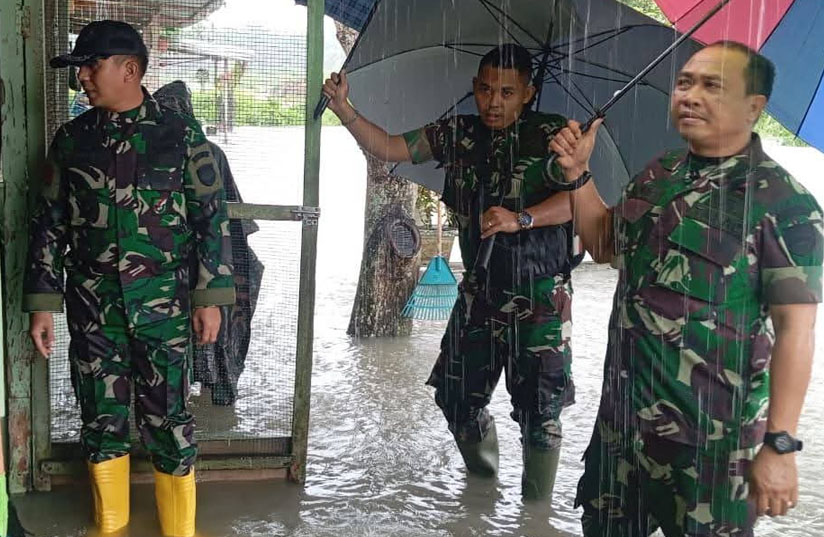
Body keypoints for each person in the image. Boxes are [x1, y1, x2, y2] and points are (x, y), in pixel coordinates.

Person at [553, 41, 822, 536]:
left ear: (753, 107)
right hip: (622, 431)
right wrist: (578, 175)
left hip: (711, 451)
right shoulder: (659, 174)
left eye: (712, 85)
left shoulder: (784, 204)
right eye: (685, 83)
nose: (690, 95)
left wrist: (780, 446)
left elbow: (796, 332)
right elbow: (602, 244)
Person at [323, 43, 587, 502]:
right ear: (475, 88)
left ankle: (535, 515)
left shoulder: (556, 136)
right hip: (480, 292)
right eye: (486, 90)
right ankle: (482, 491)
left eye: (507, 92)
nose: (494, 102)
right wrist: (344, 108)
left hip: (541, 294)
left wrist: (519, 218)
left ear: (529, 92)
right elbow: (388, 147)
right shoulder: (457, 134)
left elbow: (579, 203)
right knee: (455, 395)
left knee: (541, 414)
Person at [24, 20, 234, 537]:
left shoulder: (181, 135)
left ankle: (180, 531)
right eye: (79, 71)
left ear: (130, 70)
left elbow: (212, 218)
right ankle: (109, 527)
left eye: (90, 68)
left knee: (169, 420)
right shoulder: (72, 140)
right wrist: (41, 303)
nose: (83, 81)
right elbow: (48, 224)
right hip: (94, 312)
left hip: (163, 309)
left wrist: (210, 298)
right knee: (100, 420)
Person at [153, 81, 264, 407]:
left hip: (193, 265)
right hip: (199, 265)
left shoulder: (207, 153)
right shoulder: (206, 151)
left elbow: (227, 221)